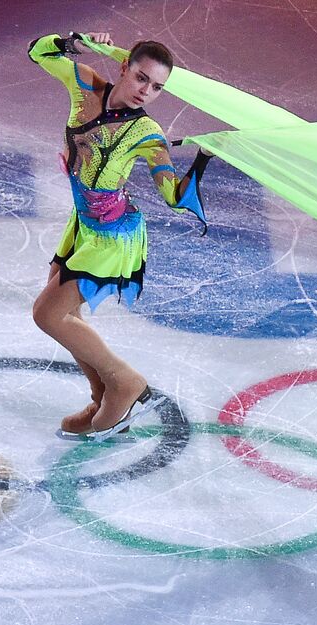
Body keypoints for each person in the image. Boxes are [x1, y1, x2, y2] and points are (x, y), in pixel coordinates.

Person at [27, 30, 211, 439]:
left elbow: (175, 197)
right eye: (142, 78)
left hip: (114, 235)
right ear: (124, 66)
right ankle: (101, 396)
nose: (147, 91)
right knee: (65, 315)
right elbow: (38, 51)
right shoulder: (86, 84)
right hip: (84, 224)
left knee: (48, 314)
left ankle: (125, 383)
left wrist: (203, 158)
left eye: (158, 87)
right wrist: (74, 40)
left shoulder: (148, 134)